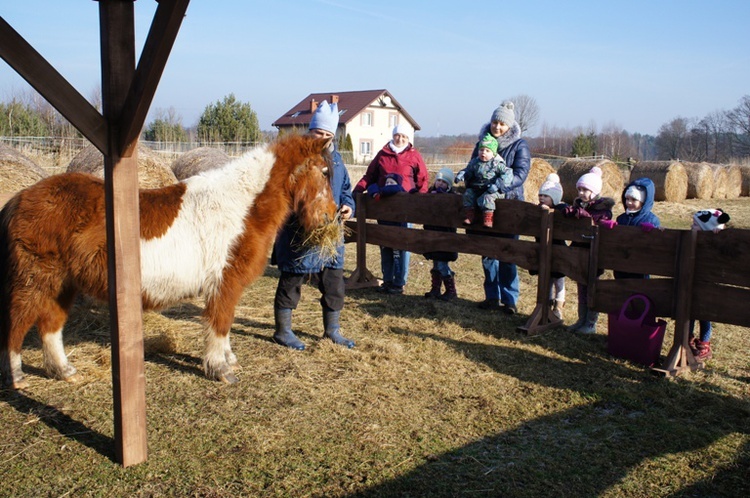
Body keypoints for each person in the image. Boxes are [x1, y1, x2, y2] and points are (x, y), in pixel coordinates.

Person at [271, 100, 356, 350]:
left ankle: (332, 330)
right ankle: (283, 331)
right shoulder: (294, 157)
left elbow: (345, 190)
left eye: (328, 134)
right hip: (300, 232)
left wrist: (349, 206)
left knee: (334, 284)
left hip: (331, 234)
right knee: (292, 281)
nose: (323, 138)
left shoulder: (337, 160)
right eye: (318, 133)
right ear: (311, 130)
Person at [353, 124, 429, 294]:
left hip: (404, 208)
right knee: (385, 243)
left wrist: (420, 199)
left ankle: (399, 282)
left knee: (402, 244)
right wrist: (358, 190)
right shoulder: (382, 155)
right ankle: (387, 279)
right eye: (397, 135)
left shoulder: (413, 155)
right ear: (393, 136)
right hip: (384, 206)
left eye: (404, 136)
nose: (400, 139)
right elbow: (370, 176)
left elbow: (422, 179)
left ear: (408, 139)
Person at [472, 101, 531, 314]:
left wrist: (498, 184)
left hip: (508, 203)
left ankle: (509, 299)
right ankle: (491, 296)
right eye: (495, 122)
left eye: (502, 124)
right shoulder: (482, 142)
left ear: (509, 126)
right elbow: (474, 165)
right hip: (485, 202)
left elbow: (520, 173)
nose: (497, 127)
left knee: (507, 252)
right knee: (488, 253)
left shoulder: (519, 145)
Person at [561, 166, 615, 334]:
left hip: (593, 253)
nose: (581, 193)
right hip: (579, 251)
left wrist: (584, 216)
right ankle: (581, 319)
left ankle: (591, 323)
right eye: (580, 189)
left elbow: (597, 223)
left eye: (585, 190)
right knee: (581, 286)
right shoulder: (579, 204)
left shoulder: (603, 210)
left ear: (594, 192)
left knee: (591, 287)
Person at [688, 208, 731, 362]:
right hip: (692, 282)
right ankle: (688, 339)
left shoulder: (712, 245)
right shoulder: (691, 239)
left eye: (695, 224)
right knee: (689, 312)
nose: (691, 226)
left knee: (704, 315)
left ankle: (704, 344)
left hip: (707, 284)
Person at [454, 133, 513, 228]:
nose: (483, 153)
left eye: (487, 150)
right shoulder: (475, 162)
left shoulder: (497, 164)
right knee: (468, 194)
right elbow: (468, 170)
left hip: (492, 189)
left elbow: (508, 173)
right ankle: (469, 216)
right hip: (477, 187)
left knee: (487, 198)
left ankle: (488, 218)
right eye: (481, 150)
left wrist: (498, 185)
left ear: (493, 153)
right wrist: (462, 174)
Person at [612, 177, 661, 279]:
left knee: (638, 290)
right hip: (621, 264)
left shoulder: (651, 219)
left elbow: (656, 243)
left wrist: (653, 231)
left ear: (644, 201)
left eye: (634, 200)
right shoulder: (621, 218)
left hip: (640, 267)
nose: (629, 202)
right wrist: (612, 229)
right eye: (627, 199)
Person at [423, 168, 460, 300]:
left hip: (445, 236)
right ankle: (435, 289)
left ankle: (451, 290)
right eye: (438, 180)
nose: (440, 184)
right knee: (435, 264)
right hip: (431, 234)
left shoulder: (451, 198)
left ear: (449, 185)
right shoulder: (430, 194)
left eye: (444, 182)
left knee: (442, 265)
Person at [536, 173, 567, 319]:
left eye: (546, 196)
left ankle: (559, 306)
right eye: (540, 195)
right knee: (546, 279)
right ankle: (546, 306)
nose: (542, 198)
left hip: (558, 251)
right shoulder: (537, 210)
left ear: (554, 198)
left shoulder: (561, 210)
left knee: (559, 281)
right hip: (543, 250)